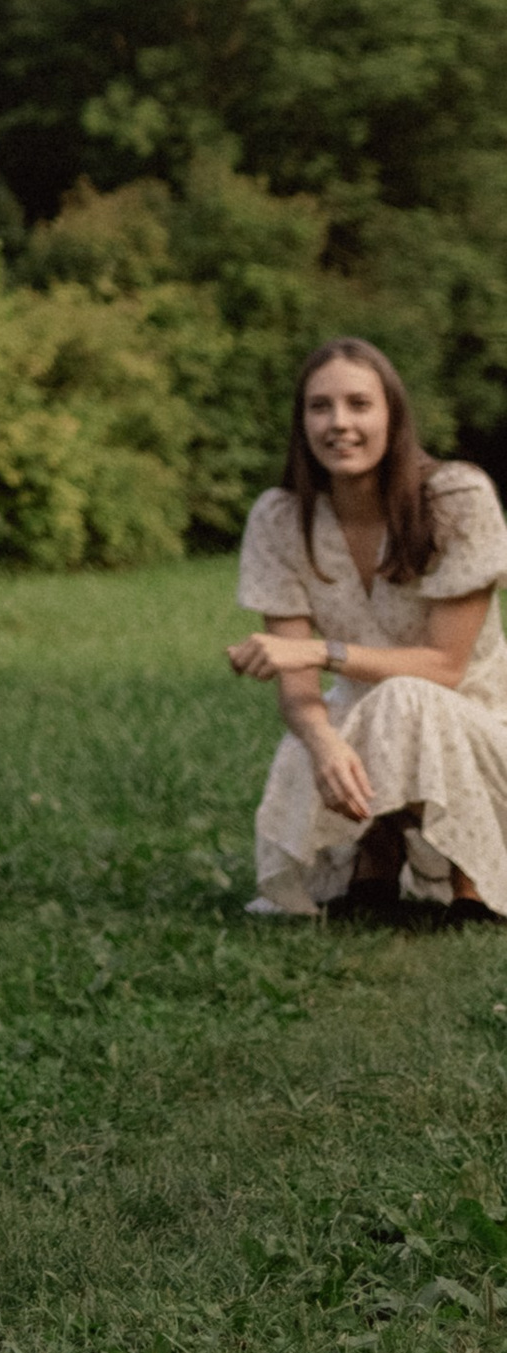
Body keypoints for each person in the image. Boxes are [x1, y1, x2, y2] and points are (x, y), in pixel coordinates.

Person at [229, 339, 507, 918]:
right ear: (301, 420)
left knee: (408, 697)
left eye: (359, 404)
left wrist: (316, 651)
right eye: (319, 407)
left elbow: (445, 666)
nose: (339, 424)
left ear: (393, 416)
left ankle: (470, 876)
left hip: (479, 723)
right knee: (318, 738)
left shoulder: (457, 498)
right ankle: (374, 848)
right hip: (357, 723)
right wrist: (325, 741)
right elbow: (299, 692)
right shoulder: (280, 518)